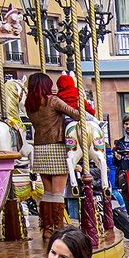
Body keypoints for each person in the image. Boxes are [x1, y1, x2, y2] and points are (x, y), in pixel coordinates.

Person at [24, 73, 81, 240]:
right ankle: (57, 228)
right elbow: (76, 114)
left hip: (40, 149)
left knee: (47, 192)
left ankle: (47, 228)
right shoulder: (52, 100)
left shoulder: (30, 104)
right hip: (56, 147)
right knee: (58, 192)